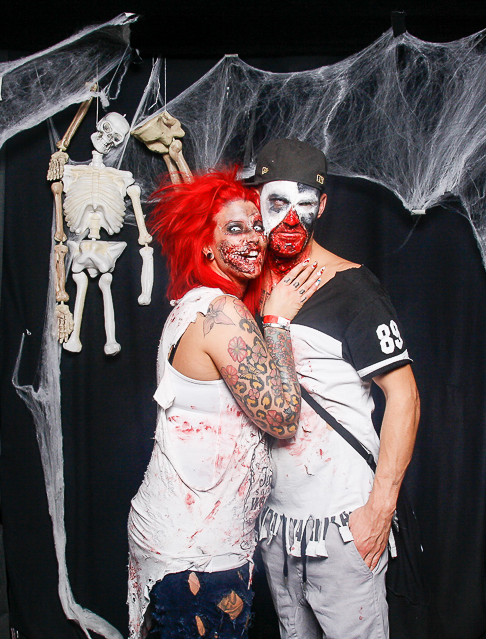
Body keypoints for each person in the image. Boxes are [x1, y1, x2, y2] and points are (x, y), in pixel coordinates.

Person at [126, 166, 322, 639]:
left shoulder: (193, 306)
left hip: (188, 541)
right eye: (235, 228)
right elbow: (282, 417)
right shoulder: (221, 312)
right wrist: (276, 321)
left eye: (256, 225)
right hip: (196, 554)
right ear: (206, 246)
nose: (254, 238)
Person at [246, 139, 421, 639]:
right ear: (257, 201)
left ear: (322, 206)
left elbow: (404, 397)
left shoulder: (353, 287)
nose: (291, 218)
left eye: (304, 203)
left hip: (345, 527)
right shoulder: (248, 289)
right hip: (277, 528)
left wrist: (378, 511)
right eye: (277, 202)